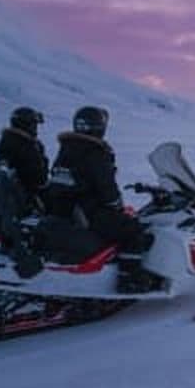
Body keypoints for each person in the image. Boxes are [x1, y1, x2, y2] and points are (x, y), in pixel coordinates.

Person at [50, 106, 155, 292]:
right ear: (99, 127)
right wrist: (116, 205)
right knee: (133, 230)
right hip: (89, 211)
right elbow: (106, 188)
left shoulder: (67, 148)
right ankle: (129, 278)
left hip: (66, 211)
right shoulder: (95, 152)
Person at [0, 107, 49, 209]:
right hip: (27, 193)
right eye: (34, 124)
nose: (35, 127)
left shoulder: (24, 141)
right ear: (25, 124)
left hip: (30, 190)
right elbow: (30, 171)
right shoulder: (18, 142)